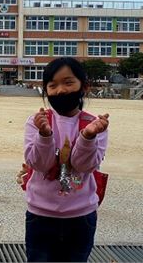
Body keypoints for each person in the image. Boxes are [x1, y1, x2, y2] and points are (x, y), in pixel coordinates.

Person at [22, 57, 110, 262]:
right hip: (40, 215)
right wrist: (44, 135)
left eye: (68, 82)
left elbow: (84, 165)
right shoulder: (36, 122)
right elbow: (39, 164)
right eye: (52, 85)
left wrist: (88, 137)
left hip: (81, 216)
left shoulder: (95, 125)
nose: (60, 90)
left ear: (84, 86)